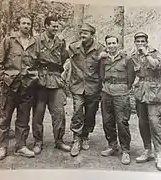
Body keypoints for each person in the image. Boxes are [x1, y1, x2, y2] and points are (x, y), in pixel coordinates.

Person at [0, 16, 39, 160]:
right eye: (23, 23)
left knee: (23, 119)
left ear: (31, 26)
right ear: (18, 25)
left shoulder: (35, 42)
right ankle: (2, 147)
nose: (26, 25)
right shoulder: (9, 41)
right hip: (10, 87)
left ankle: (21, 146)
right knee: (5, 118)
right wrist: (5, 78)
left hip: (27, 87)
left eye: (28, 23)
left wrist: (35, 78)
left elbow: (39, 62)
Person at [32, 16, 71, 155]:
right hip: (40, 81)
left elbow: (65, 60)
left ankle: (59, 141)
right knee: (38, 113)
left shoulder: (60, 42)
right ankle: (38, 141)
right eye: (53, 26)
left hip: (56, 80)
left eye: (57, 27)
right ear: (46, 26)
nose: (56, 29)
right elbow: (30, 60)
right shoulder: (36, 40)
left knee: (59, 113)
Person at [131, 32, 161, 171]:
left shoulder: (155, 53)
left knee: (155, 123)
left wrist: (146, 54)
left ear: (147, 42)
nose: (140, 43)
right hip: (141, 92)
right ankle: (147, 150)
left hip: (154, 92)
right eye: (138, 41)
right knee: (143, 123)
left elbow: (158, 67)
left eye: (142, 41)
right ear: (135, 42)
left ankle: (159, 154)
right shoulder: (134, 57)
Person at [68, 23, 104, 157]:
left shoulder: (100, 49)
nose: (82, 35)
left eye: (86, 33)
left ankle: (85, 135)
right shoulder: (73, 47)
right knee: (77, 110)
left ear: (92, 35)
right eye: (81, 33)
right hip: (77, 85)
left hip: (93, 87)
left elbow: (104, 68)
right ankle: (76, 138)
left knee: (90, 113)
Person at [99, 35, 135, 165]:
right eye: (109, 43)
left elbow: (131, 77)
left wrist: (125, 88)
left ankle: (125, 150)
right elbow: (101, 74)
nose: (111, 46)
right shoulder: (103, 59)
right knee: (107, 120)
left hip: (121, 93)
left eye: (114, 43)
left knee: (122, 122)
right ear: (106, 45)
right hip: (107, 92)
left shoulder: (126, 59)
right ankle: (112, 145)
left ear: (118, 44)